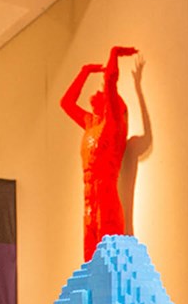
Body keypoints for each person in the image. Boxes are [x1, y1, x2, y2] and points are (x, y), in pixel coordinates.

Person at [61, 45, 138, 262]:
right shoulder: (89, 124)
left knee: (107, 256)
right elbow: (66, 103)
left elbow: (111, 81)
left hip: (105, 198)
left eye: (101, 93)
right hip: (88, 199)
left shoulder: (111, 125)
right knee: (89, 260)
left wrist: (113, 55)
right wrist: (84, 72)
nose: (96, 93)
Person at [119, 55, 152, 237]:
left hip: (123, 230)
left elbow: (148, 135)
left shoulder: (130, 147)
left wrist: (138, 89)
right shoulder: (109, 151)